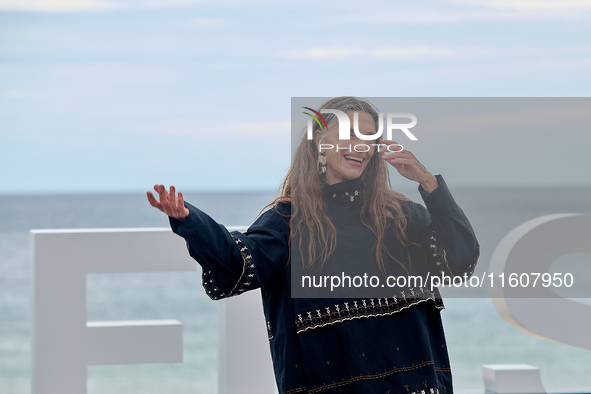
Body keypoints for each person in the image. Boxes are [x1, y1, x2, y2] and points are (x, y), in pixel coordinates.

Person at [147, 97, 479, 393]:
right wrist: (192, 223)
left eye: (369, 137)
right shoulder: (287, 221)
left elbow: (461, 260)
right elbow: (239, 262)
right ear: (320, 140)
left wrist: (429, 184)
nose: (360, 145)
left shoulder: (402, 216)